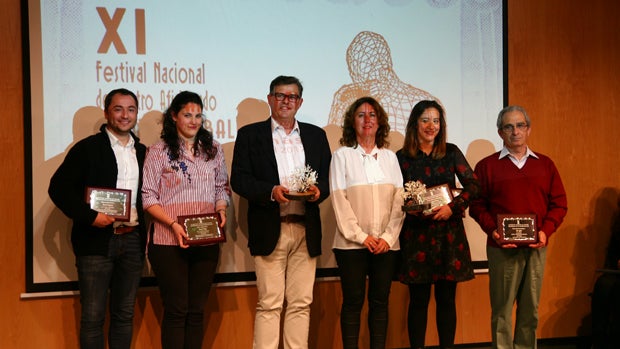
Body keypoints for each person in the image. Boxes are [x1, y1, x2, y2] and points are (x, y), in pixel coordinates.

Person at [230, 75, 331, 349]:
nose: (286, 101)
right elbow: (239, 180)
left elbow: (326, 179)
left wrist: (319, 190)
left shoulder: (316, 135)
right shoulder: (250, 135)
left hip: (305, 227)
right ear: (270, 99)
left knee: (301, 303)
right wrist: (270, 191)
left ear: (300, 102)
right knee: (270, 303)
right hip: (269, 227)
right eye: (280, 95)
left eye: (292, 96)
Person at [48, 88, 146, 349]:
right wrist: (91, 217)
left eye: (131, 109)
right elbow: (58, 189)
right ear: (106, 113)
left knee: (124, 316)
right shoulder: (87, 149)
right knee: (92, 318)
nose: (125, 115)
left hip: (133, 240)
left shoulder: (144, 152)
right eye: (118, 109)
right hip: (95, 242)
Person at [469, 105, 568, 349]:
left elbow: (559, 204)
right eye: (509, 126)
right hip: (501, 249)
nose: (515, 131)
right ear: (500, 132)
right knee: (502, 311)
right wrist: (493, 230)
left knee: (530, 310)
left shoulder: (545, 165)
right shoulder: (486, 166)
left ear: (529, 129)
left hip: (536, 247)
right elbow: (476, 205)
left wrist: (545, 231)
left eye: (520, 125)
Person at [141, 91, 230, 349]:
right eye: (187, 115)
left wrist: (221, 209)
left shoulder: (213, 149)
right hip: (168, 241)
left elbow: (221, 187)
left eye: (198, 115)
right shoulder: (158, 151)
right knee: (177, 309)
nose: (193, 121)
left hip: (206, 240)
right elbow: (148, 196)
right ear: (174, 116)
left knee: (196, 310)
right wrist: (173, 225)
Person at [396, 100, 479, 349]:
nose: (431, 126)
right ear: (415, 124)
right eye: (425, 120)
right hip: (416, 237)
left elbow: (474, 186)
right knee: (418, 302)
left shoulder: (451, 151)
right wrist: (414, 208)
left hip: (448, 237)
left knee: (446, 301)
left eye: (436, 120)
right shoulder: (402, 157)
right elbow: (397, 197)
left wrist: (452, 207)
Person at [330, 96, 405, 349]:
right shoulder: (342, 156)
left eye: (372, 115)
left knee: (380, 302)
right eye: (361, 115)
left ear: (380, 121)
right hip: (351, 246)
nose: (367, 120)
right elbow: (340, 201)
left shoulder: (390, 157)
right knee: (352, 302)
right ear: (353, 121)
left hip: (386, 245)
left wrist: (387, 237)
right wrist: (362, 236)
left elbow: (400, 201)